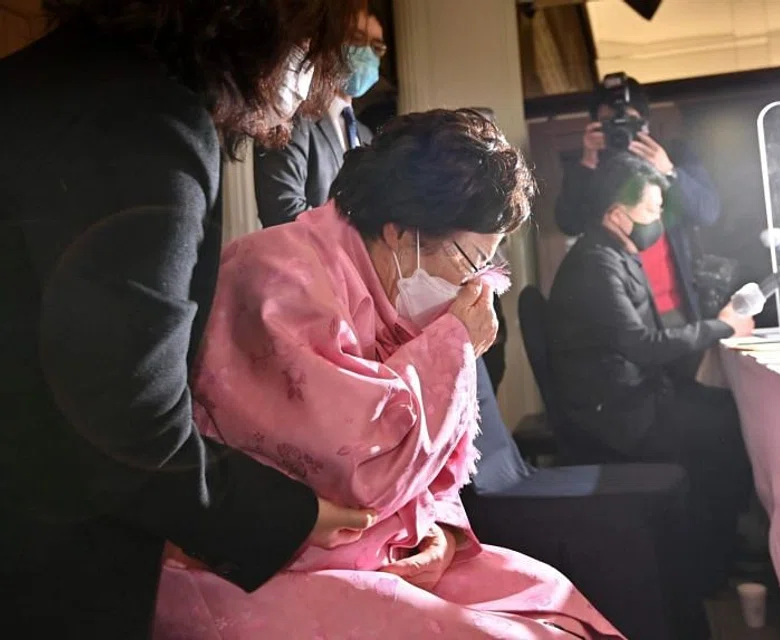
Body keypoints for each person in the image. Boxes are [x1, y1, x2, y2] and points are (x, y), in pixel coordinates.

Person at [153, 109, 623, 639]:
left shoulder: (386, 288)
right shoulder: (279, 275)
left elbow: (427, 470)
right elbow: (355, 462)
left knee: (553, 601)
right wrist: (454, 346)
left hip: (383, 550)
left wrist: (440, 530)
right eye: (472, 261)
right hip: (270, 562)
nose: (478, 286)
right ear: (403, 234)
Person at [0, 1, 380, 636]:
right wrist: (289, 515)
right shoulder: (143, 120)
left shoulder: (46, 78)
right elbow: (125, 419)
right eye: (311, 41)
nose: (314, 70)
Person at [548, 152, 754, 595]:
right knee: (721, 431)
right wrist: (722, 327)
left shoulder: (618, 252)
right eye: (650, 210)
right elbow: (642, 344)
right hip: (616, 414)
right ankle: (705, 567)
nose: (658, 221)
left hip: (636, 395)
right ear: (617, 215)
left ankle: (717, 547)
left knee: (722, 410)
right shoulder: (595, 264)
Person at [556, 75, 720, 319]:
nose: (620, 129)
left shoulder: (673, 154)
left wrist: (670, 172)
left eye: (629, 121)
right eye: (608, 123)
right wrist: (588, 162)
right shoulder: (589, 166)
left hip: (673, 304)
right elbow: (568, 223)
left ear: (645, 123)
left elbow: (708, 212)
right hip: (617, 308)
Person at [254, 8, 383, 228]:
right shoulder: (291, 117)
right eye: (357, 39)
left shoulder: (367, 136)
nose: (367, 52)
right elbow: (281, 208)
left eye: (376, 46)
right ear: (330, 42)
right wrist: (352, 240)